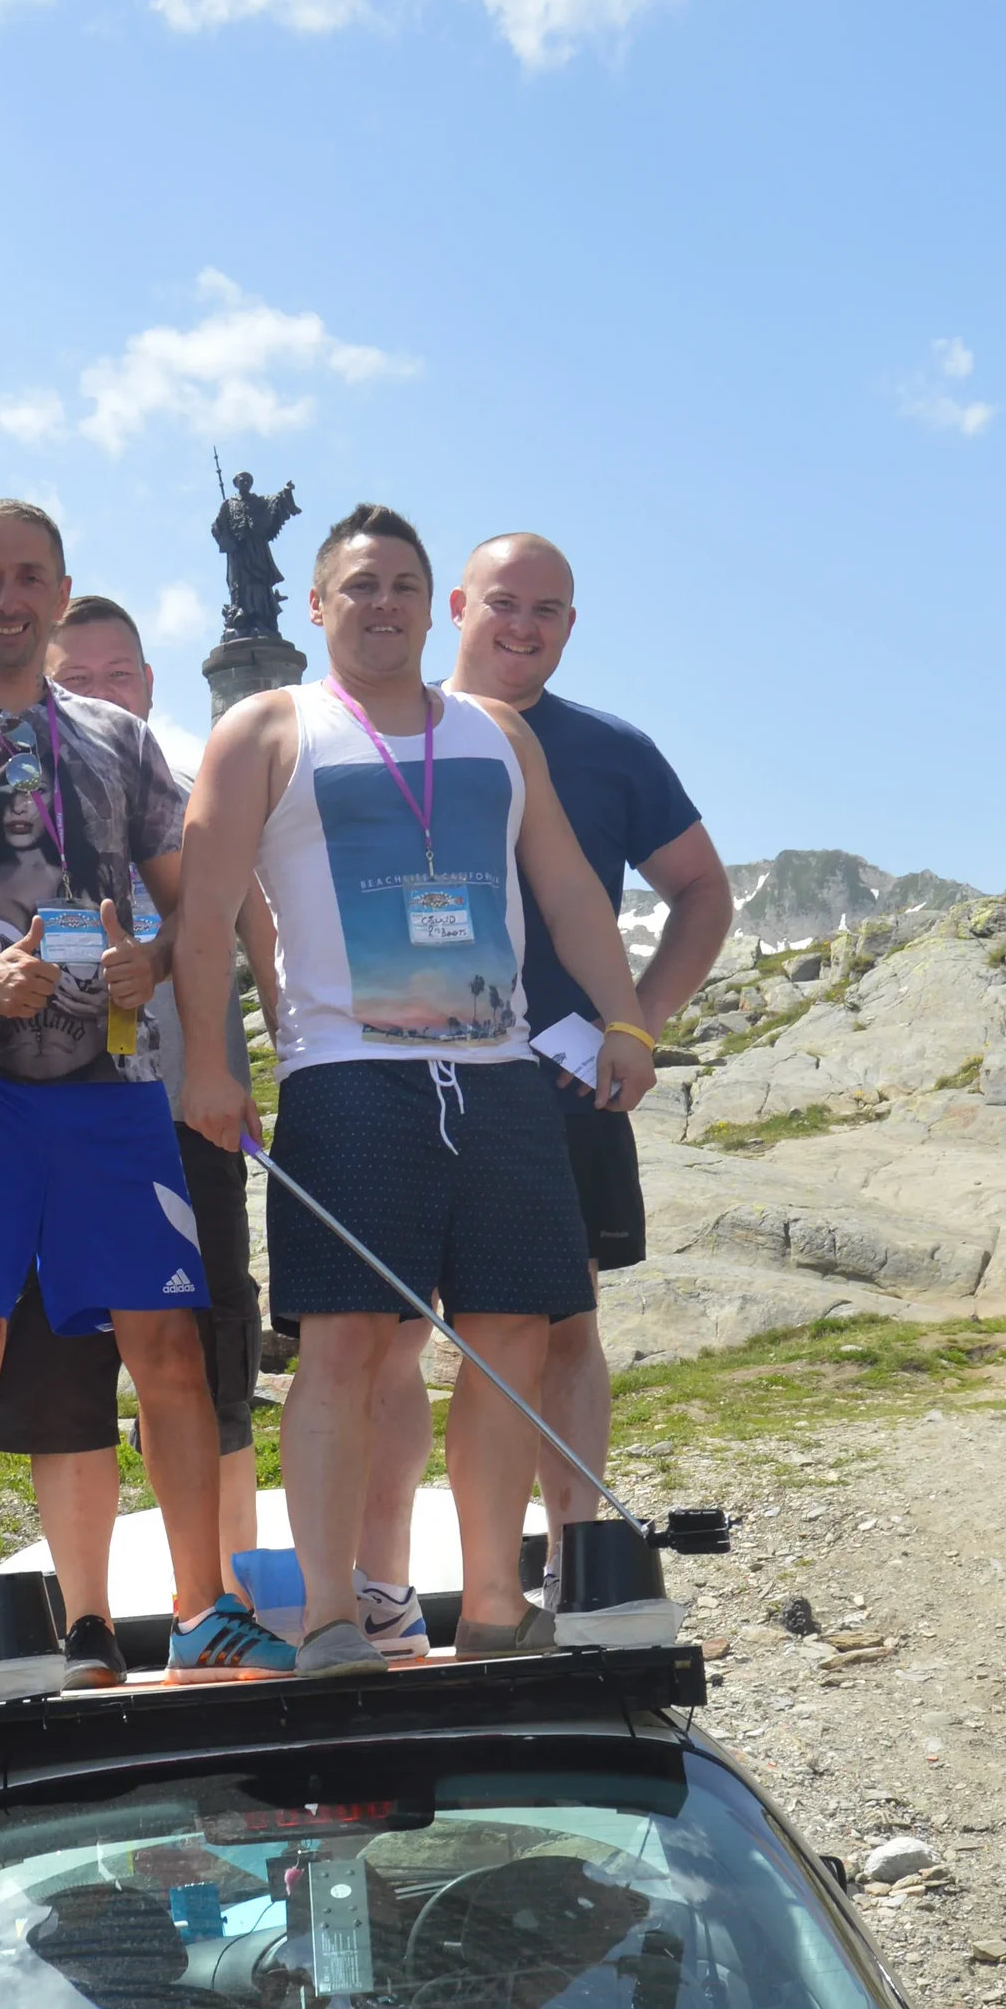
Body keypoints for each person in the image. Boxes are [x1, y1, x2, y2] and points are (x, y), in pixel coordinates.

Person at [174, 503, 658, 1678]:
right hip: (349, 1078)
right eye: (359, 585)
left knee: (512, 1342)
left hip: (500, 1078)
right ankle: (332, 1618)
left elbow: (568, 892)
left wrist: (625, 1015)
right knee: (341, 1347)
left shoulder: (496, 732)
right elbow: (201, 911)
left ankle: (493, 1603)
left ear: (427, 600)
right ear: (319, 606)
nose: (380, 603)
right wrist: (206, 1061)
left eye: (401, 583)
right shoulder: (267, 728)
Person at [0, 499, 270, 1685]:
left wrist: (149, 954)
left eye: (29, 575)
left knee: (169, 1352)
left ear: (59, 588)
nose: (8, 595)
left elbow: (194, 899)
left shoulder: (121, 746)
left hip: (111, 1085)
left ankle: (200, 1611)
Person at [357, 533, 736, 1635]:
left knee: (564, 1321)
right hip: (398, 1073)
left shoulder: (613, 750)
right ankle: (382, 1586)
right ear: (457, 605)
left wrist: (637, 1021)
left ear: (572, 627)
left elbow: (702, 891)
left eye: (550, 611)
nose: (523, 626)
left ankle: (580, 1566)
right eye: (503, 603)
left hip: (560, 1082)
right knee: (387, 1335)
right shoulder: (378, 727)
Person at [0, 593, 282, 1680]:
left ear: (151, 684)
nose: (107, 690)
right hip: (45, 1117)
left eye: (124, 672)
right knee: (65, 1375)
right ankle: (89, 1628)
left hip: (181, 1113)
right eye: (83, 675)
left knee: (208, 1363)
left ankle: (224, 1603)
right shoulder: (2, 800)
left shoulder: (206, 795)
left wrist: (253, 1059)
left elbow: (254, 929)